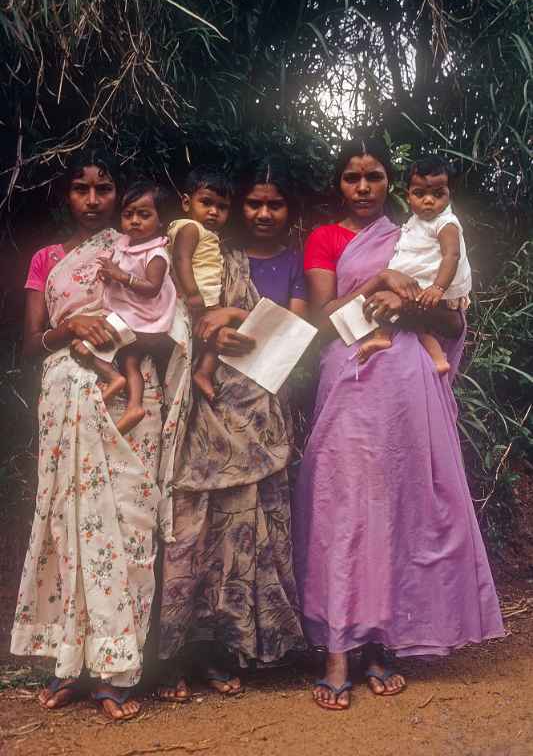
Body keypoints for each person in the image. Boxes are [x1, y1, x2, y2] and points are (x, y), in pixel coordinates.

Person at [293, 137, 504, 711]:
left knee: (397, 508)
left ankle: (382, 643)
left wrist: (408, 305)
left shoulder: (422, 234)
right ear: (338, 185)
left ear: (395, 184)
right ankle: (337, 648)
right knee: (343, 507)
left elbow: (452, 322)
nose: (363, 188)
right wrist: (379, 286)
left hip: (410, 386)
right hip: (351, 379)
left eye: (375, 177)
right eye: (352, 178)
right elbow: (325, 319)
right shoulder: (327, 238)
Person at [11, 150, 165, 721]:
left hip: (129, 386)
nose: (94, 200)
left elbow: (162, 320)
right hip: (65, 390)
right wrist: (68, 326)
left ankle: (118, 670)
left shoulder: (141, 251)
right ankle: (69, 665)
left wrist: (122, 341)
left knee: (128, 523)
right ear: (67, 195)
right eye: (82, 189)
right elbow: (30, 344)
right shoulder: (49, 259)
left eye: (104, 189)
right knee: (67, 521)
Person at [157, 161, 307, 702]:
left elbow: (292, 333)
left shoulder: (294, 262)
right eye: (254, 203)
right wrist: (213, 328)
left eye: (276, 204)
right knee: (188, 530)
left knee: (242, 535)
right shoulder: (209, 255)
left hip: (259, 410)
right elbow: (176, 313)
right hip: (200, 407)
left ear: (290, 212)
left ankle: (226, 649)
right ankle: (173, 654)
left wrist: (236, 315)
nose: (263, 213)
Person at [72, 180, 177, 434]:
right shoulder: (126, 245)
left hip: (146, 320)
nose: (135, 221)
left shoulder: (157, 254)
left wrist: (121, 276)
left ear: (160, 219)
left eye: (144, 214)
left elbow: (151, 287)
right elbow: (118, 269)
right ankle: (134, 405)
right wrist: (109, 274)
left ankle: (113, 378)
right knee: (130, 361)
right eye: (128, 214)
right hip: (131, 319)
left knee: (82, 345)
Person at [357, 155, 472, 373]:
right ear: (408, 195)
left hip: (433, 285)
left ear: (449, 194)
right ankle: (392, 341)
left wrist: (438, 287)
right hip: (418, 282)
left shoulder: (446, 223)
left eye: (438, 194)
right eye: (420, 193)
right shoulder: (415, 221)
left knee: (413, 318)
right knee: (413, 322)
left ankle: (430, 355)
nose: (429, 200)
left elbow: (452, 255)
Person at [166, 167, 231, 402]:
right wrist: (193, 294)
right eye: (206, 202)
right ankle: (202, 373)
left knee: (212, 334)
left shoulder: (203, 231)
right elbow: (180, 259)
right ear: (186, 202)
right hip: (195, 297)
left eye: (222, 207)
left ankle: (201, 372)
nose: (214, 211)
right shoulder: (191, 228)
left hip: (201, 297)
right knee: (219, 330)